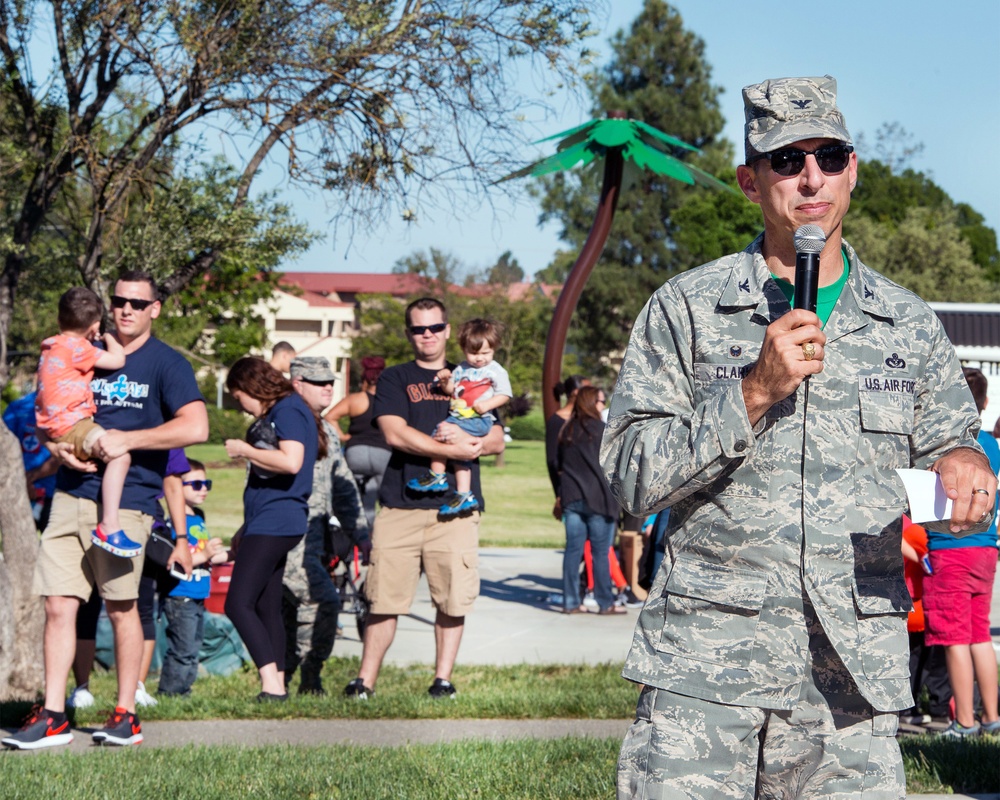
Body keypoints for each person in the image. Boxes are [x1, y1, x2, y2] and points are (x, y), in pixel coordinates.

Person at [601, 75, 997, 798]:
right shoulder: (687, 308)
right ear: (751, 182)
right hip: (708, 669)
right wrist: (752, 392)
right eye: (786, 160)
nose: (810, 177)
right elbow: (629, 476)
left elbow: (952, 444)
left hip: (851, 678)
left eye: (829, 155)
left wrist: (965, 463)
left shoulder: (908, 324)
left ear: (854, 170)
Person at [3, 270, 207, 751]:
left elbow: (196, 426)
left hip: (128, 501)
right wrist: (58, 447)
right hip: (70, 493)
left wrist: (129, 440)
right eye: (119, 301)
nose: (127, 309)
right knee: (57, 605)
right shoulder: (82, 347)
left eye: (138, 303)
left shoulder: (167, 365)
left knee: (121, 608)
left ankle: (125, 715)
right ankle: (53, 716)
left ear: (155, 308)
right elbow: (53, 402)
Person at [343, 297, 505, 700]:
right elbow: (394, 433)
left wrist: (472, 443)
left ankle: (442, 681)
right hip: (400, 504)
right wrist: (460, 450)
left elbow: (497, 437)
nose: (427, 335)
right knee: (383, 597)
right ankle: (364, 683)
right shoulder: (396, 379)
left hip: (456, 510)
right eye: (418, 329)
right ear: (409, 333)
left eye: (434, 327)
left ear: (448, 330)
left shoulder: (474, 372)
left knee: (452, 599)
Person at [223, 356, 320, 702]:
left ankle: (271, 686)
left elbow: (291, 461)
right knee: (265, 606)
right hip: (270, 520)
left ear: (251, 388)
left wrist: (245, 450)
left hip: (276, 521)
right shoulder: (288, 410)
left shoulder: (288, 410)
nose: (241, 406)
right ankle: (277, 682)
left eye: (238, 397)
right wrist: (244, 528)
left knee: (237, 603)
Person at [922, 366, 1000, 738]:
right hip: (985, 548)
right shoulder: (992, 445)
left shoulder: (943, 448)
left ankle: (964, 722)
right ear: (984, 404)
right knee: (979, 635)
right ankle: (991, 717)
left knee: (954, 638)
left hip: (951, 548)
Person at [283, 356, 368, 695]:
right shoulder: (283, 421)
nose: (328, 387)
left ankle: (297, 678)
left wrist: (360, 533)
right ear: (297, 383)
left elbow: (343, 484)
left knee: (301, 606)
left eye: (330, 381)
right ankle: (297, 676)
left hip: (315, 539)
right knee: (317, 601)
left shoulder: (326, 430)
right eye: (319, 382)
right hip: (287, 535)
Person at [35, 287, 135, 556]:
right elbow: (117, 360)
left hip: (51, 427)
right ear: (94, 326)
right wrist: (110, 337)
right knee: (120, 455)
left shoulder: (49, 348)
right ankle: (109, 525)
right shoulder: (80, 348)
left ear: (59, 321)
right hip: (74, 426)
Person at [406, 318, 511, 516]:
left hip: (477, 420)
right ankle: (463, 494)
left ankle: (437, 475)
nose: (479, 358)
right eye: (474, 353)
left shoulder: (495, 370)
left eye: (485, 353)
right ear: (464, 349)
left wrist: (487, 405)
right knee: (460, 455)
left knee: (440, 433)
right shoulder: (462, 368)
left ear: (494, 349)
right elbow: (451, 390)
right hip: (461, 417)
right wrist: (446, 379)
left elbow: (505, 394)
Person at [157, 459, 226, 697]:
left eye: (206, 483)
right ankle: (171, 693)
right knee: (182, 648)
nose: (203, 489)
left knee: (193, 647)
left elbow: (204, 557)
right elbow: (176, 561)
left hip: (197, 594)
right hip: (180, 595)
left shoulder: (198, 518)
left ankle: (184, 689)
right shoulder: (176, 524)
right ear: (178, 487)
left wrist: (225, 554)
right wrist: (205, 554)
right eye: (196, 484)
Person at [555, 386, 624, 616]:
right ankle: (606, 602)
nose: (603, 405)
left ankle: (571, 601)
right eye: (601, 401)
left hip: (572, 498)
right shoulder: (603, 431)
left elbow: (558, 466)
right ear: (591, 403)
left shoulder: (567, 431)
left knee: (573, 551)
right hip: (599, 500)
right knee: (600, 553)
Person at [326, 355, 391, 528]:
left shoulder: (355, 399)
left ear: (364, 379)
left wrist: (343, 436)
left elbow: (330, 417)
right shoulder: (390, 400)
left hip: (356, 452)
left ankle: (350, 540)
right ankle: (375, 539)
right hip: (383, 454)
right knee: (383, 503)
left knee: (351, 499)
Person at [3, 389, 59, 531]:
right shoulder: (18, 407)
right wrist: (22, 482)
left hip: (54, 493)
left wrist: (29, 478)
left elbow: (62, 457)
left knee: (50, 548)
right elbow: (4, 450)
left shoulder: (66, 407)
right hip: (19, 491)